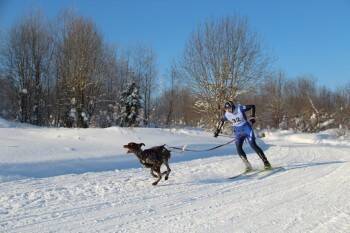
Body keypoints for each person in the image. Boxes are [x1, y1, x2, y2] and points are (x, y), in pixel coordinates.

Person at [214, 101, 272, 172]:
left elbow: (252, 106)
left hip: (247, 129)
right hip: (238, 132)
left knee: (253, 145)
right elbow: (221, 120)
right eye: (227, 109)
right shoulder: (227, 114)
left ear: (233, 107)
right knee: (238, 148)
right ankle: (248, 166)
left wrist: (252, 117)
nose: (228, 110)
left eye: (230, 108)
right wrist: (217, 130)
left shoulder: (240, 109)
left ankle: (266, 163)